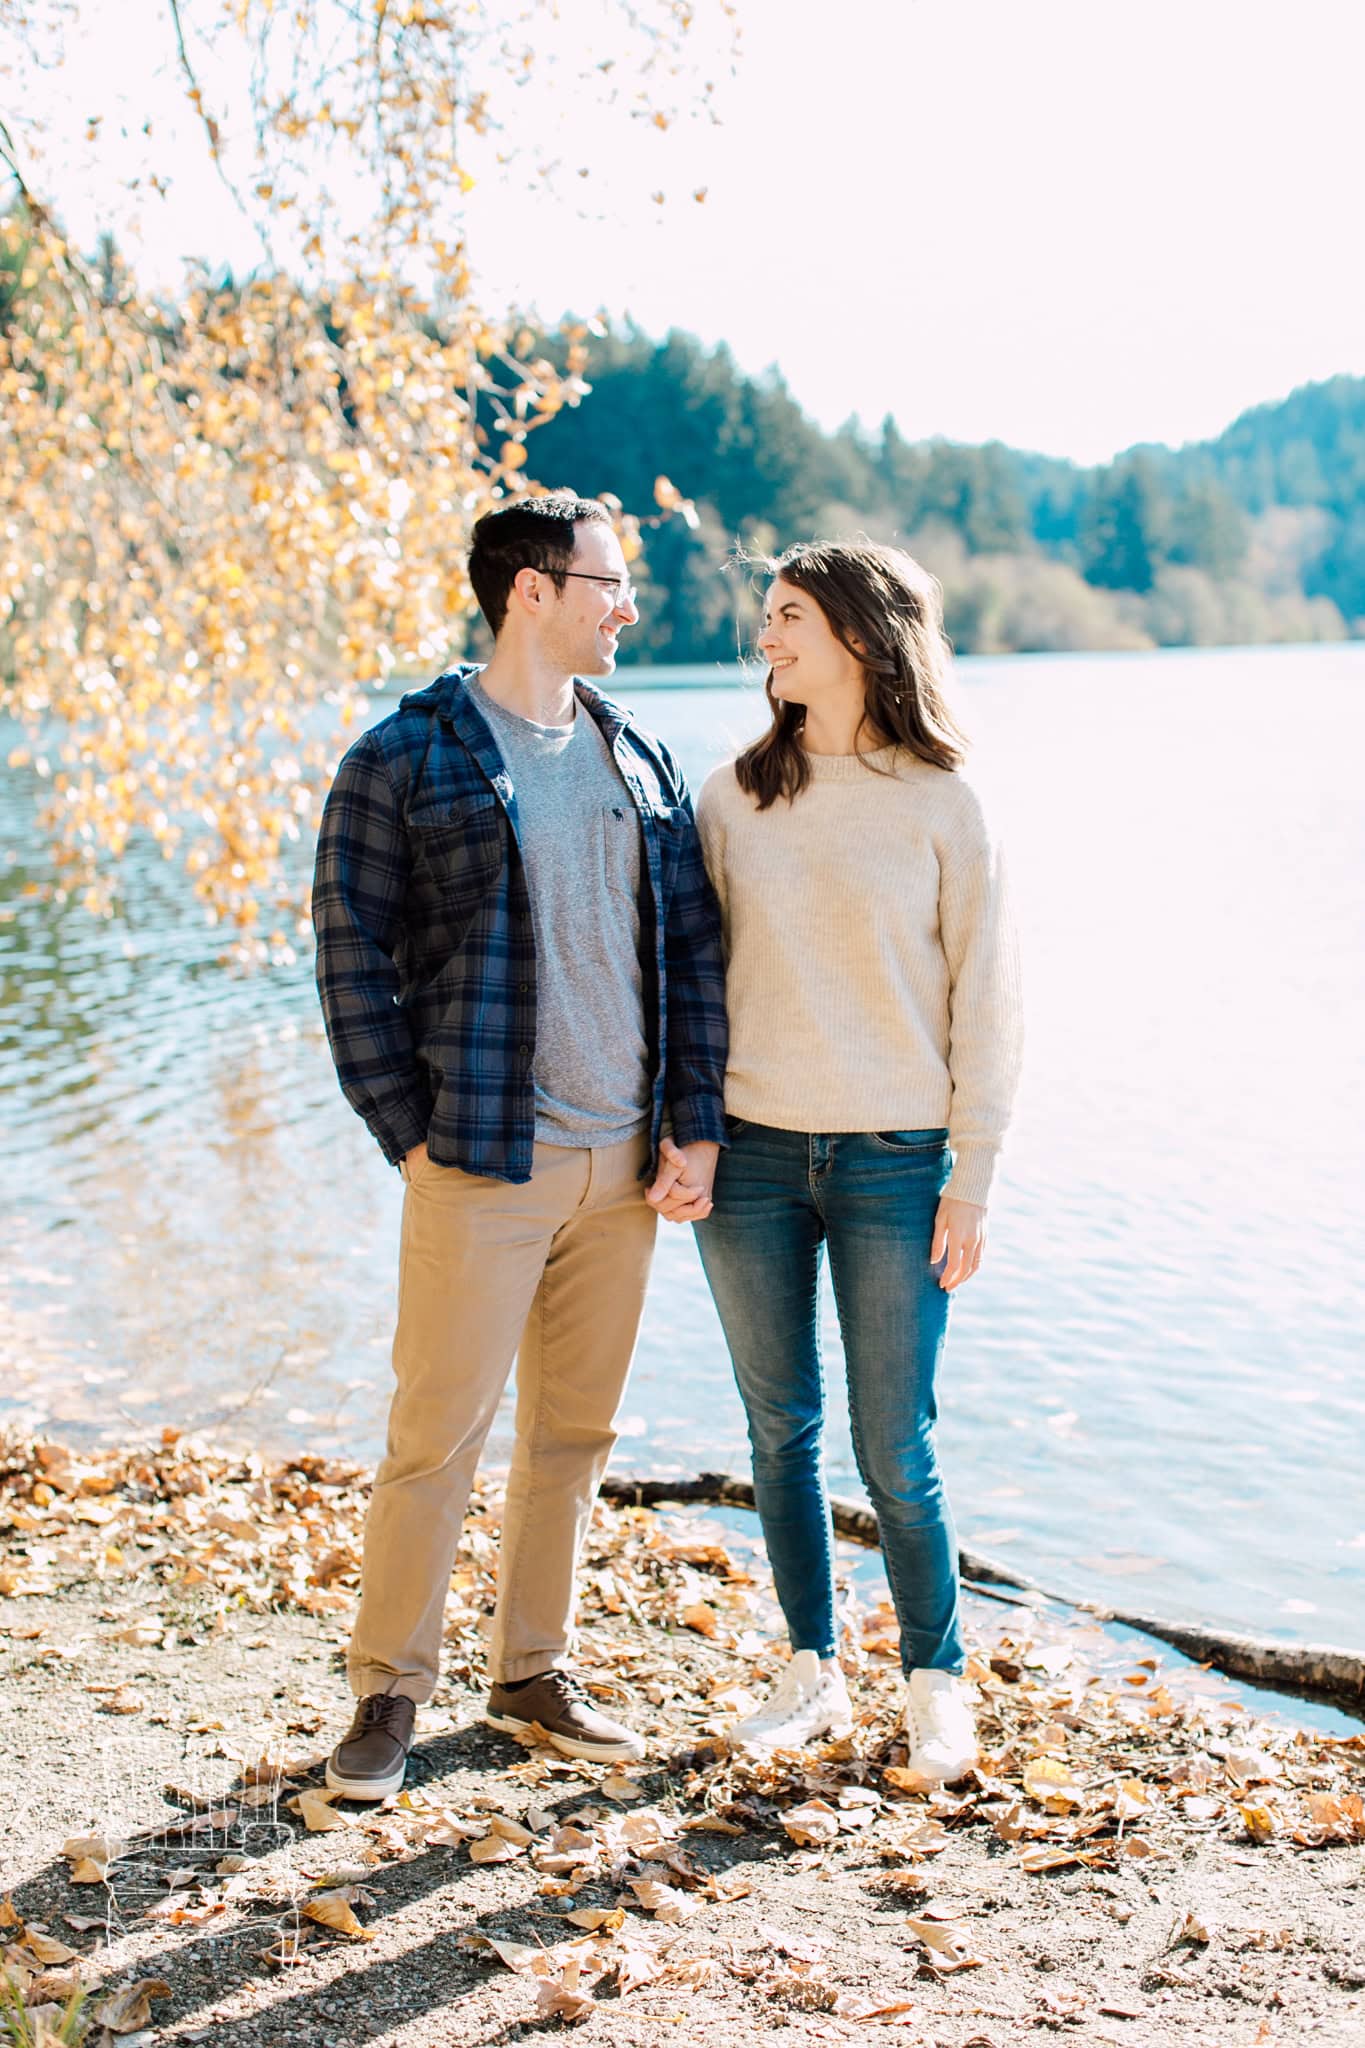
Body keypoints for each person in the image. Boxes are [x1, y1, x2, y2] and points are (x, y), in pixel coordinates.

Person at [312, 494, 726, 1798]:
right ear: (531, 591)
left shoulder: (637, 754)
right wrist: (410, 1137)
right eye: (610, 583)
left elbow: (694, 954)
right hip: (480, 1160)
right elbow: (346, 955)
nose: (627, 606)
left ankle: (529, 1673)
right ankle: (388, 1697)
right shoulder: (408, 755)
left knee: (574, 1437)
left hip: (624, 1171)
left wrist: (693, 1123)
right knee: (436, 1435)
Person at [677, 539, 1022, 1780]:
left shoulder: (945, 801)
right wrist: (689, 1133)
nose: (765, 639)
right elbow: (691, 991)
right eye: (764, 619)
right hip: (754, 1157)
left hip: (894, 1161)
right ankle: (808, 1668)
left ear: (863, 640)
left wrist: (971, 1175)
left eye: (787, 618)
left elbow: (988, 1005)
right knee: (780, 1433)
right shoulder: (727, 798)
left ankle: (937, 1684)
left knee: (896, 1447)